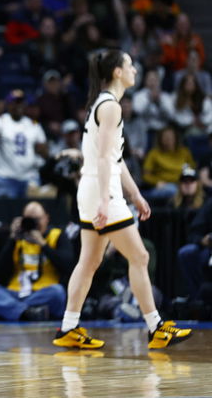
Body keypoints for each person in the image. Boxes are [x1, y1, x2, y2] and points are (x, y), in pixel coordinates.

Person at [52, 49, 191, 350]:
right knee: (139, 257)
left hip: (93, 189)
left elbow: (115, 159)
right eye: (130, 65)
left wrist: (136, 194)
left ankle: (68, 328)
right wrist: (106, 200)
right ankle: (156, 327)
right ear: (117, 71)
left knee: (88, 261)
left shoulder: (103, 103)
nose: (135, 71)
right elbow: (104, 159)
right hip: (102, 191)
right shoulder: (110, 106)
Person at [0, 201, 73, 321]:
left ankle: (4, 310)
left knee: (58, 292)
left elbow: (68, 265)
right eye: (29, 220)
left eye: (37, 219)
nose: (33, 224)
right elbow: (0, 270)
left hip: (43, 293)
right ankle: (27, 312)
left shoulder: (57, 235)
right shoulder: (18, 238)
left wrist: (43, 245)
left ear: (46, 218)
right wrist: (12, 239)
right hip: (15, 292)